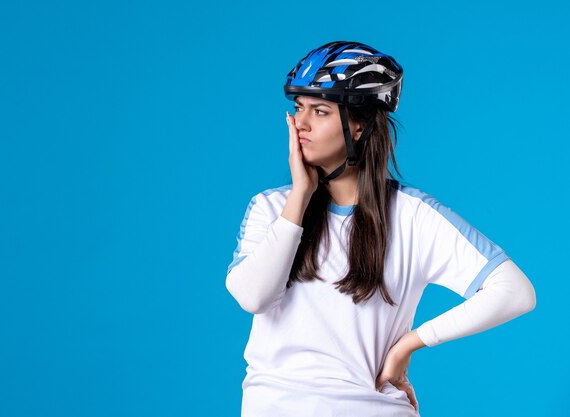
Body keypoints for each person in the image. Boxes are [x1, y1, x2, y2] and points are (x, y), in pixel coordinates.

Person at [225, 40, 536, 417]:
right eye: (298, 108)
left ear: (358, 127)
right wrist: (300, 197)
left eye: (320, 111)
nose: (300, 124)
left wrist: (410, 343)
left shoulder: (412, 215)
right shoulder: (271, 207)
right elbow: (253, 297)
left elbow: (515, 292)